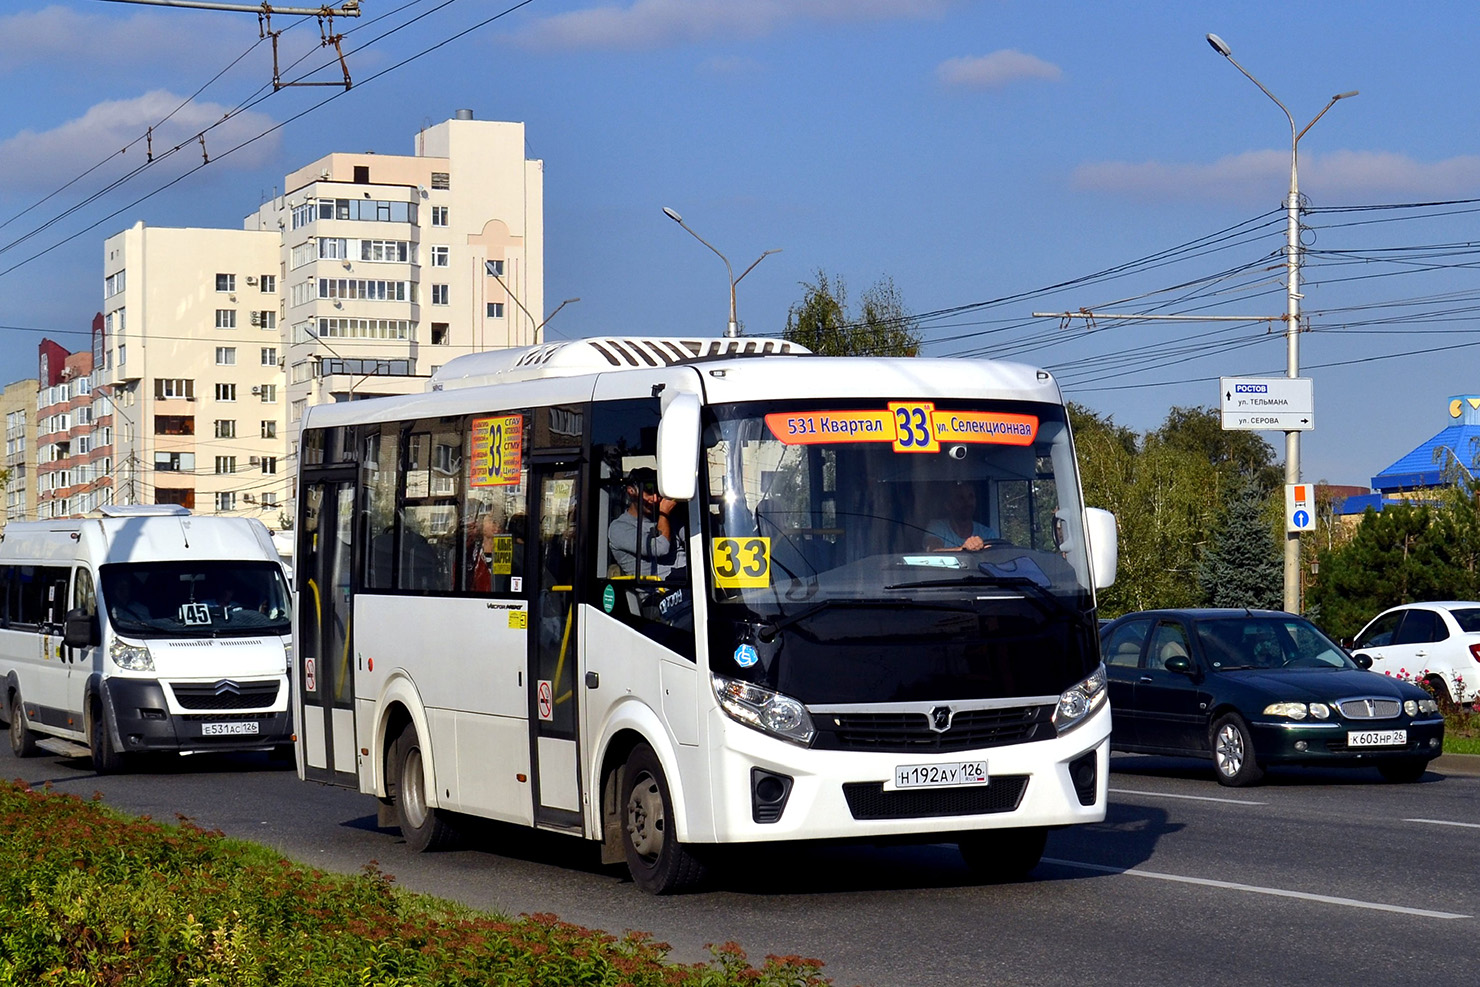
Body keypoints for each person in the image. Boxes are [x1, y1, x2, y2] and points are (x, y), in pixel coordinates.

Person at [608, 467, 684, 577]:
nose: (655, 499)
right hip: (660, 588)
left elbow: (694, 538)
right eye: (649, 492)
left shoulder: (670, 517)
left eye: (658, 493)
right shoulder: (619, 528)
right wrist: (664, 513)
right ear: (631, 491)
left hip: (687, 578)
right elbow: (661, 548)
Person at [924, 482, 1000, 552]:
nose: (967, 502)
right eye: (960, 498)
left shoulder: (987, 533)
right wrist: (963, 549)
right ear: (948, 505)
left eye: (971, 497)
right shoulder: (937, 527)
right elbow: (933, 550)